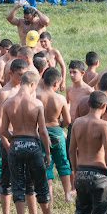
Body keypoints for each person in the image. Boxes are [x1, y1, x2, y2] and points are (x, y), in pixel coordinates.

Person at [0, 71, 62, 214]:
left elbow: (3, 130)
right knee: (40, 184)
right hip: (33, 145)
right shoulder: (36, 104)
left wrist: (14, 138)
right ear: (33, 84)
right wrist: (47, 153)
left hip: (16, 145)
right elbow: (42, 131)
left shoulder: (8, 103)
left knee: (17, 184)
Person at [66, 91, 107, 214]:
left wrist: (75, 170)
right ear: (103, 106)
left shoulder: (77, 122)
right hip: (99, 174)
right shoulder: (104, 125)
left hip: (81, 172)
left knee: (80, 213)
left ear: (88, 105)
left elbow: (71, 150)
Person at [36, 68, 72, 202]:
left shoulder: (37, 97)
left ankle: (49, 196)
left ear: (43, 81)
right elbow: (68, 121)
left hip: (41, 131)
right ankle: (67, 194)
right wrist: (60, 125)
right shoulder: (60, 98)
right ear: (57, 83)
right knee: (63, 162)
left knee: (46, 163)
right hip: (57, 131)